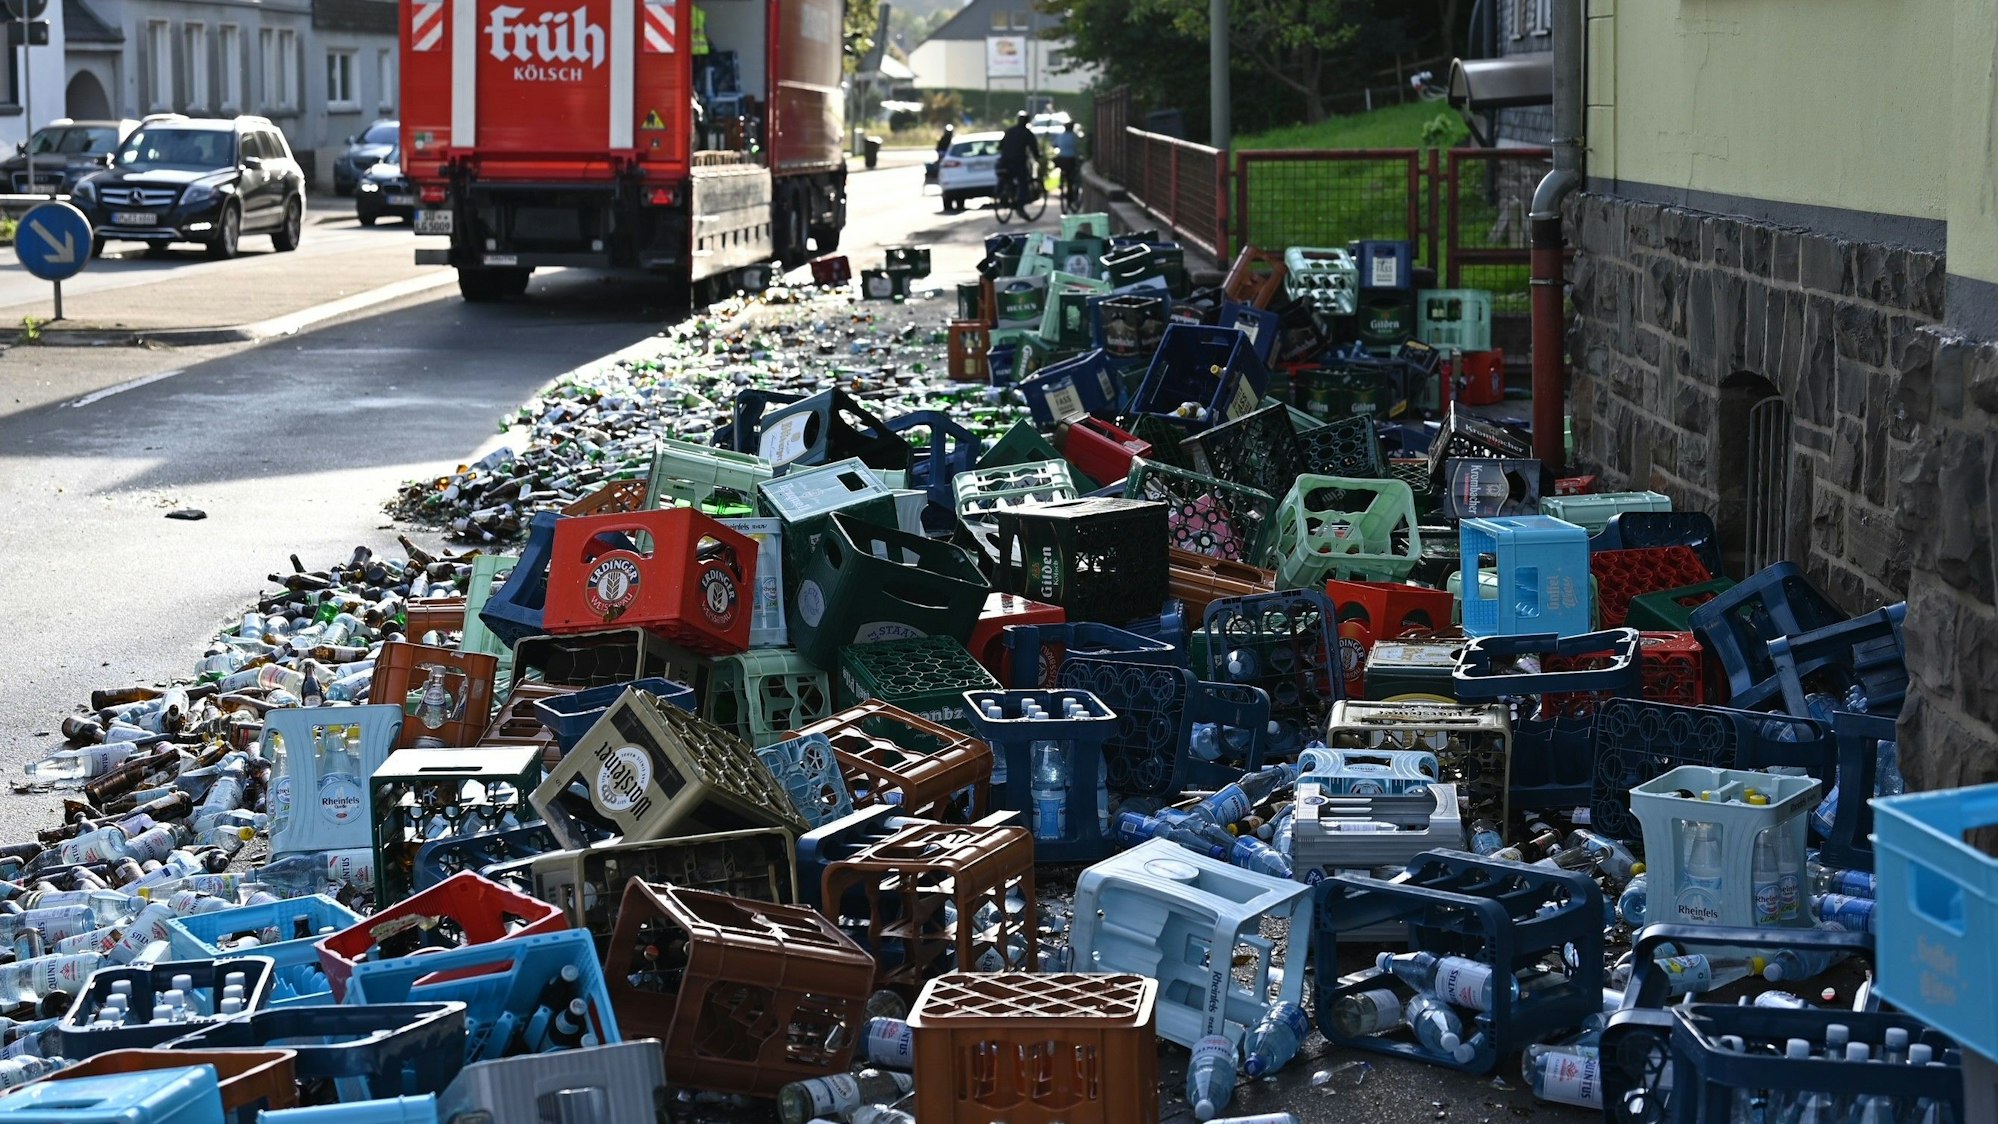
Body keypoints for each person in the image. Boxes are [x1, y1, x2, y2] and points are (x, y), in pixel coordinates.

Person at [996, 111, 1043, 209]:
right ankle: (1020, 204)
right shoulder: (1027, 133)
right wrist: (1038, 156)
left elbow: (1000, 146)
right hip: (1018, 162)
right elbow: (1033, 148)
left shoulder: (1009, 131)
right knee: (1023, 182)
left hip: (1005, 161)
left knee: (1006, 177)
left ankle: (1003, 192)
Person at [1053, 121, 1082, 198]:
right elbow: (1079, 146)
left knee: (1063, 170)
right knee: (1074, 173)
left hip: (1062, 159)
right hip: (1072, 159)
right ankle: (1073, 188)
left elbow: (1054, 145)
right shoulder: (1074, 136)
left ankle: (1061, 183)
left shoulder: (1060, 136)